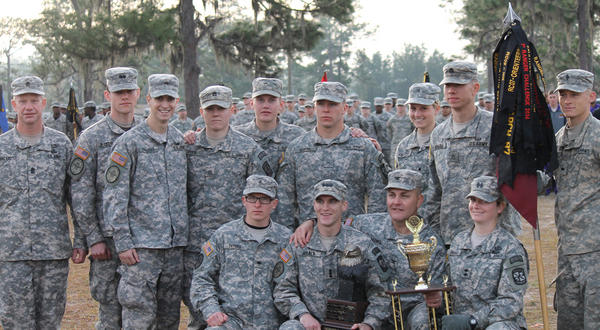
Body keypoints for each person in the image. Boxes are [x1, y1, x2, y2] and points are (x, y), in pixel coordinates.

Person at [293, 170, 447, 330]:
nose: (396, 202)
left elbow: (439, 290)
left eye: (404, 196)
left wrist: (437, 297)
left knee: (424, 321)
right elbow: (331, 219)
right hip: (372, 312)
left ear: (419, 200)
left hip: (411, 313)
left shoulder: (431, 242)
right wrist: (310, 222)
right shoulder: (366, 224)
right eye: (392, 195)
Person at [102, 73, 188, 329]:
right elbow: (114, 197)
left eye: (170, 99)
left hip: (174, 248)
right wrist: (123, 243)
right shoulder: (129, 143)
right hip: (141, 251)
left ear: (177, 101)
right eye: (159, 98)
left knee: (169, 320)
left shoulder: (179, 142)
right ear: (148, 99)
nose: (165, 104)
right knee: (139, 319)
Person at [184, 85, 271, 329]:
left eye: (220, 108)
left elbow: (260, 199)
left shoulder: (249, 149)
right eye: (210, 109)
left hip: (237, 245)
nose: (215, 114)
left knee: (233, 312)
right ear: (201, 111)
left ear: (231, 110)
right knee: (199, 312)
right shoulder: (187, 147)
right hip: (196, 244)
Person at [70, 67, 143, 329]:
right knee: (110, 312)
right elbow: (80, 193)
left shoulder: (148, 133)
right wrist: (94, 238)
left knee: (142, 312)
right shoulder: (92, 137)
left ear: (137, 94)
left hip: (143, 239)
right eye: (118, 92)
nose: (124, 97)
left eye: (129, 92)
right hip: (107, 243)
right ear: (107, 95)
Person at [0, 76, 74, 329]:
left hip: (53, 253)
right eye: (23, 101)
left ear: (43, 103)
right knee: (15, 322)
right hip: (11, 254)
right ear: (14, 104)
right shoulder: (2, 148)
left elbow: (76, 196)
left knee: (50, 322)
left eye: (34, 100)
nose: (29, 106)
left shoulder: (61, 145)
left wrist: (84, 239)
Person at [425, 61, 520, 246]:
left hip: (493, 234)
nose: (451, 91)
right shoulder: (438, 134)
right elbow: (435, 189)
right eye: (448, 86)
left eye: (458, 85)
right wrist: (433, 229)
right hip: (450, 234)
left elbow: (512, 180)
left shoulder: (498, 127)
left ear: (475, 88)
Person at [274, 180, 390, 330]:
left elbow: (380, 292)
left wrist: (369, 324)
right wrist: (302, 315)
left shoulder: (361, 244)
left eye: (332, 201)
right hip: (310, 326)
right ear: (314, 205)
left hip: (351, 325)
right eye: (320, 201)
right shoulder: (299, 243)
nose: (325, 208)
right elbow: (283, 290)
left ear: (344, 205)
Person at [276, 81, 388, 229]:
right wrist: (289, 236)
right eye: (321, 104)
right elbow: (285, 200)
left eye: (333, 104)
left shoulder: (363, 148)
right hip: (307, 241)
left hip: (352, 242)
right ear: (315, 107)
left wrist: (368, 237)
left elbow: (378, 199)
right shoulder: (297, 148)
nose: (326, 109)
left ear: (345, 108)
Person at [190, 175, 291, 329]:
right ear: (244, 201)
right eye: (252, 198)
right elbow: (201, 278)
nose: (257, 204)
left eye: (264, 199)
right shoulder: (224, 235)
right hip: (232, 322)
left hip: (273, 323)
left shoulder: (286, 239)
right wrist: (211, 310)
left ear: (274, 204)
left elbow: (295, 285)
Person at [443, 176, 528, 330]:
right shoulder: (458, 242)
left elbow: (511, 302)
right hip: (460, 324)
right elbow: (447, 287)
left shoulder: (510, 247)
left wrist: (474, 321)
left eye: (484, 201)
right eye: (473, 200)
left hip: (497, 323)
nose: (476, 206)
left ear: (500, 207)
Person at [551, 69, 600, 329]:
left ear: (591, 96)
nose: (567, 100)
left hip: (595, 252)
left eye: (575, 94)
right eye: (563, 94)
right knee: (568, 322)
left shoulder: (598, 137)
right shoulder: (558, 140)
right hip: (567, 250)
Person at [234, 78, 305, 177]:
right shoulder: (237, 137)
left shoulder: (297, 136)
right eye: (260, 100)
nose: (266, 106)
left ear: (281, 104)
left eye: (271, 100)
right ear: (251, 104)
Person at [394, 83, 440, 216]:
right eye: (413, 108)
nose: (417, 114)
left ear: (436, 108)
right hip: (410, 222)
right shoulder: (403, 146)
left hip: (439, 222)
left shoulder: (447, 141)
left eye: (424, 108)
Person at [387, 97, 414, 165]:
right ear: (396, 106)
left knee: (408, 163)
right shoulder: (392, 119)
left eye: (402, 105)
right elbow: (389, 132)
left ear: (405, 106)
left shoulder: (410, 119)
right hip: (395, 145)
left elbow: (414, 130)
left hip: (408, 145)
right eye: (399, 105)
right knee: (394, 163)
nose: (400, 107)